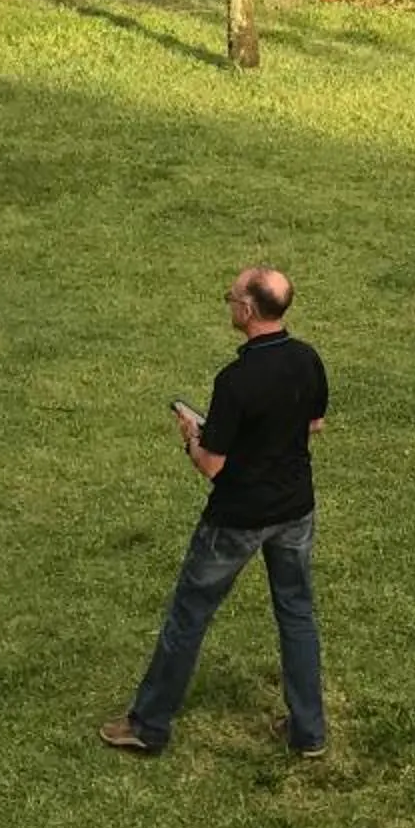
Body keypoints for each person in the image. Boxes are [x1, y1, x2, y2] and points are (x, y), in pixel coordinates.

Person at [101, 266, 331, 758]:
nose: (229, 303)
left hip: (237, 519)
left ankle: (149, 724)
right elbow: (314, 424)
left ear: (247, 310)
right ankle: (308, 732)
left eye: (231, 297)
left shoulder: (236, 381)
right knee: (296, 614)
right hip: (296, 510)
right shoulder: (307, 359)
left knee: (189, 615)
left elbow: (211, 465)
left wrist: (192, 436)